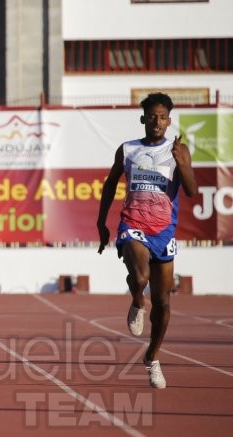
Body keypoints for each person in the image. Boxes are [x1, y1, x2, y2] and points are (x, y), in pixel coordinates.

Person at [96, 92, 197, 390]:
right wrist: (101, 222)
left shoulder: (178, 150)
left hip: (164, 231)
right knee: (139, 276)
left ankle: (152, 358)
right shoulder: (128, 150)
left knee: (163, 302)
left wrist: (183, 164)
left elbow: (191, 191)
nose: (157, 121)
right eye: (152, 116)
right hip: (133, 224)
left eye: (163, 117)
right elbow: (111, 183)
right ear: (143, 119)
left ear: (169, 120)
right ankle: (138, 301)